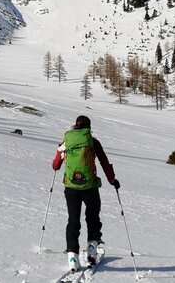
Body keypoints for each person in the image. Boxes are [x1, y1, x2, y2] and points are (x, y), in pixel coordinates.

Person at [51, 115, 120, 271]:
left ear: (75, 125)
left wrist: (59, 151)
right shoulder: (93, 142)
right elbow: (103, 161)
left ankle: (72, 257)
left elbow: (55, 166)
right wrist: (112, 180)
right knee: (93, 217)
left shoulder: (67, 141)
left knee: (73, 220)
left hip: (71, 188)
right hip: (90, 187)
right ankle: (91, 249)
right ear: (88, 127)